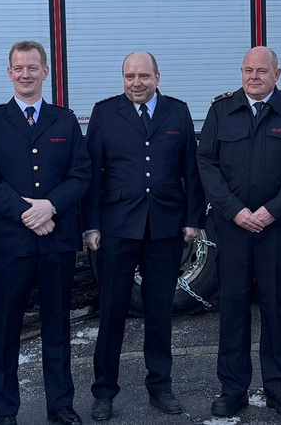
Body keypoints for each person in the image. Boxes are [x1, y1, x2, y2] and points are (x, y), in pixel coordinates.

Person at [0, 41, 91, 425]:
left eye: (33, 67)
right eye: (19, 68)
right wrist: (28, 212)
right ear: (9, 73)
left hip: (57, 238)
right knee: (6, 327)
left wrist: (50, 206)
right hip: (10, 241)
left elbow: (81, 175)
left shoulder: (64, 120)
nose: (26, 74)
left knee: (57, 325)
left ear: (45, 72)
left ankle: (61, 405)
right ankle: (6, 410)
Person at [197, 46, 281, 418]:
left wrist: (270, 211)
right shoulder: (221, 110)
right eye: (248, 70)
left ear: (277, 75)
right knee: (232, 308)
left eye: (262, 71)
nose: (254, 76)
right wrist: (235, 211)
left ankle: (280, 388)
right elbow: (206, 162)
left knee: (275, 308)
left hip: (275, 229)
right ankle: (232, 389)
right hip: (232, 230)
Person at [83, 52, 203, 420]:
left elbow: (191, 171)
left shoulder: (177, 112)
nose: (136, 83)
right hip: (118, 228)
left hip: (165, 227)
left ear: (157, 77)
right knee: (113, 312)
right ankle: (104, 391)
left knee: (159, 313)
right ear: (123, 78)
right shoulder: (105, 113)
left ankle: (160, 387)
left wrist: (193, 219)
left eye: (144, 76)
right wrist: (91, 225)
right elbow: (93, 174)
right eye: (130, 76)